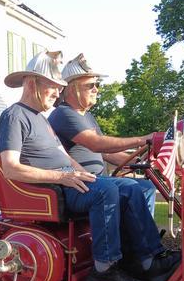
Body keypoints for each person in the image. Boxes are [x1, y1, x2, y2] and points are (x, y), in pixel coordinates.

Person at [0, 51, 179, 281]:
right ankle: (104, 270)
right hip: (53, 189)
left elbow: (67, 158)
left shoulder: (42, 119)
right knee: (107, 191)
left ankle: (147, 261)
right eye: (53, 86)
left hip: (70, 181)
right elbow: (9, 167)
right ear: (31, 83)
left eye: (60, 88)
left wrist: (87, 175)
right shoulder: (14, 115)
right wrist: (62, 177)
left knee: (133, 187)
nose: (57, 92)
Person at [49, 53, 157, 215]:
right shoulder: (64, 113)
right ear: (71, 88)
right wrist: (142, 140)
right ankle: (139, 238)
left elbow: (106, 152)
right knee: (137, 187)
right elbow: (96, 143)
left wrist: (139, 162)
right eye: (90, 85)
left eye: (97, 84)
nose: (96, 89)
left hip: (96, 181)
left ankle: (138, 236)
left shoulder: (87, 116)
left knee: (146, 187)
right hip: (79, 184)